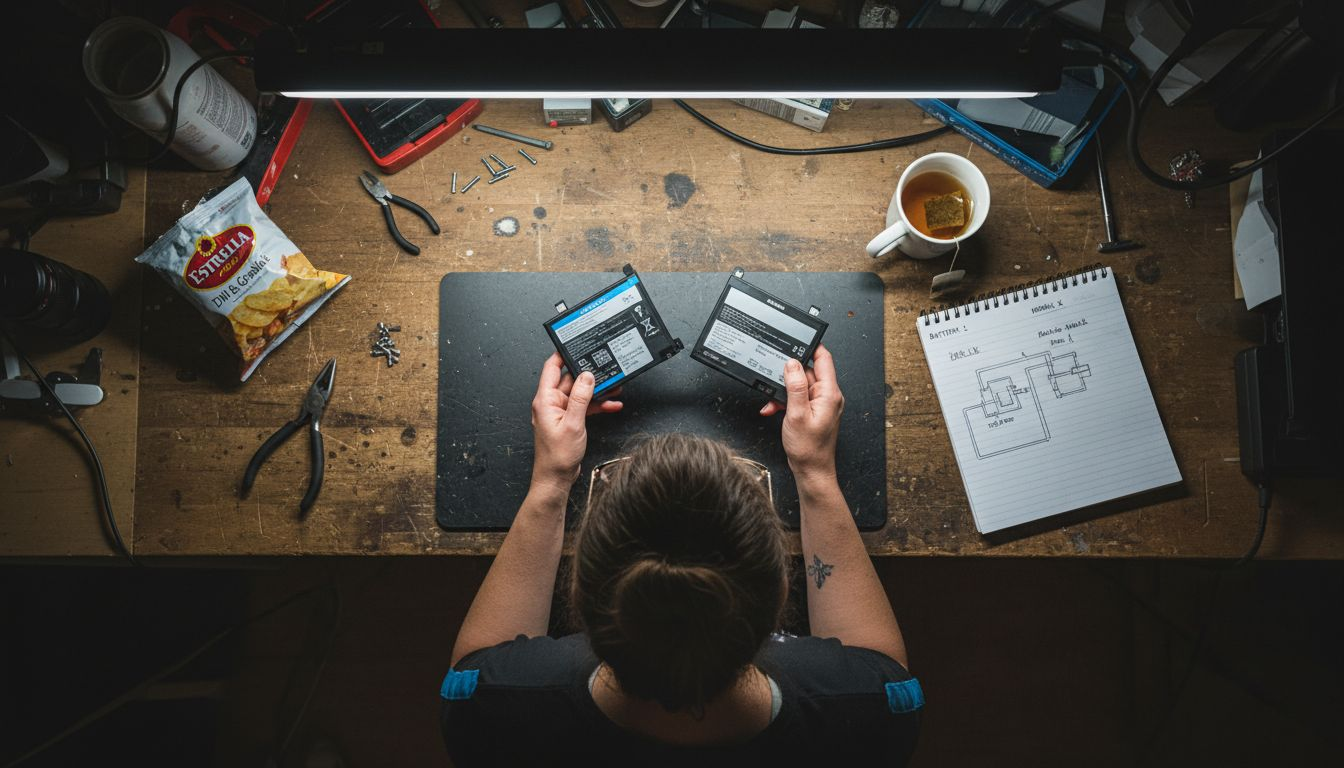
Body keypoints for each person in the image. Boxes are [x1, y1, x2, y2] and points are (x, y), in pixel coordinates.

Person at [440, 346, 922, 765]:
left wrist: (550, 480)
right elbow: (879, 665)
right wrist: (815, 472)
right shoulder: (874, 710)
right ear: (781, 597)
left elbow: (475, 662)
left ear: (577, 593)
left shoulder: (489, 708)